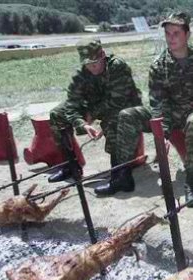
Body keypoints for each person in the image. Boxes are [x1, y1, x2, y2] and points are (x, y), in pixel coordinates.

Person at [110, 12, 193, 202]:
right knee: (128, 115)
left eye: (176, 33)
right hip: (171, 115)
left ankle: (191, 182)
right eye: (167, 33)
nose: (171, 38)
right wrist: (162, 131)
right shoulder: (159, 65)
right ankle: (122, 174)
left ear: (187, 35)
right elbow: (158, 102)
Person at [48, 37, 142, 194]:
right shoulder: (82, 74)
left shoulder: (117, 66)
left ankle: (121, 176)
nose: (91, 67)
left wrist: (92, 114)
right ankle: (70, 165)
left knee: (113, 121)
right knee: (57, 115)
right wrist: (81, 123)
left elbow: (118, 100)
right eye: (87, 64)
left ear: (103, 55)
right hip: (96, 105)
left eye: (95, 62)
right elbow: (72, 103)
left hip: (124, 105)